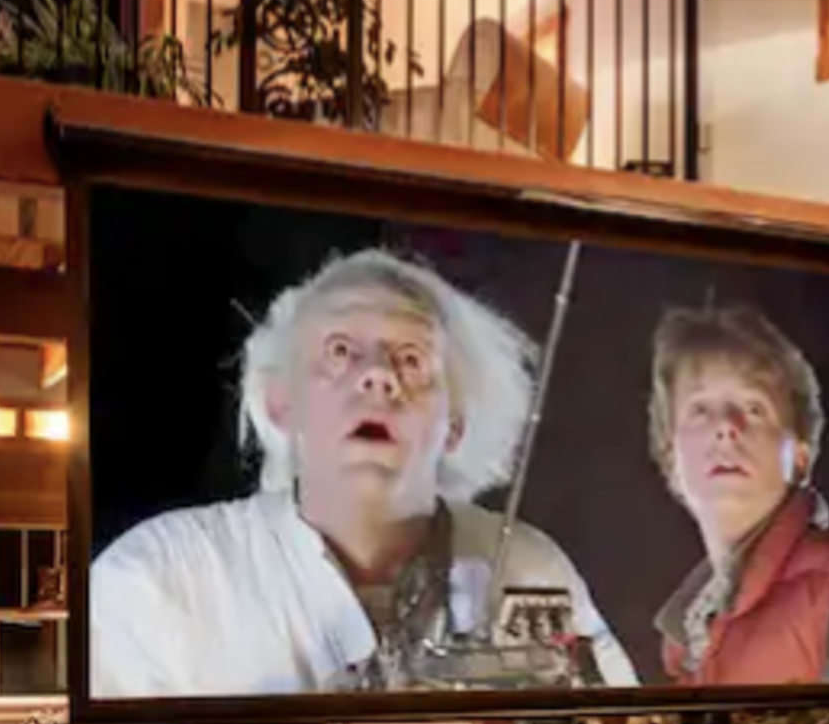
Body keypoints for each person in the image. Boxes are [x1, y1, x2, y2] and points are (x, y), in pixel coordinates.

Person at [90, 247, 632, 700]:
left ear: (456, 425)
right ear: (281, 403)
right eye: (341, 351)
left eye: (412, 359)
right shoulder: (153, 581)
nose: (377, 376)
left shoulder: (532, 567)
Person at [644, 303, 829, 688]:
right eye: (700, 409)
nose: (725, 426)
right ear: (670, 455)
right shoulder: (682, 630)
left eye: (754, 408)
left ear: (801, 454)